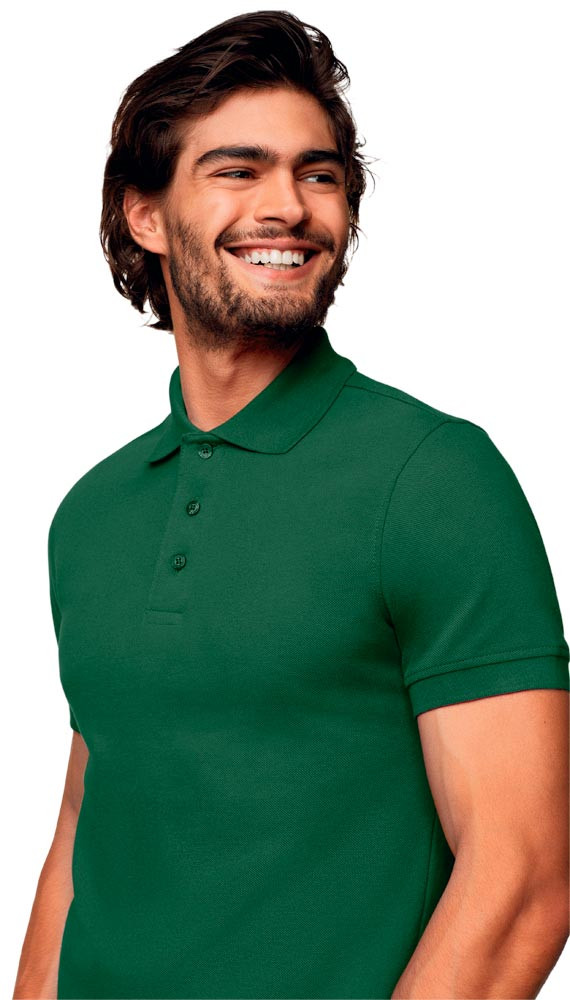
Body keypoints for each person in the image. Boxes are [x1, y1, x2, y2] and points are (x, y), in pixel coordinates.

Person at [13, 10, 569, 1000]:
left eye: (319, 175)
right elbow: (87, 829)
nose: (289, 207)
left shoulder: (433, 478)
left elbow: (524, 876)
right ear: (146, 216)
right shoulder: (90, 515)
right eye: (239, 170)